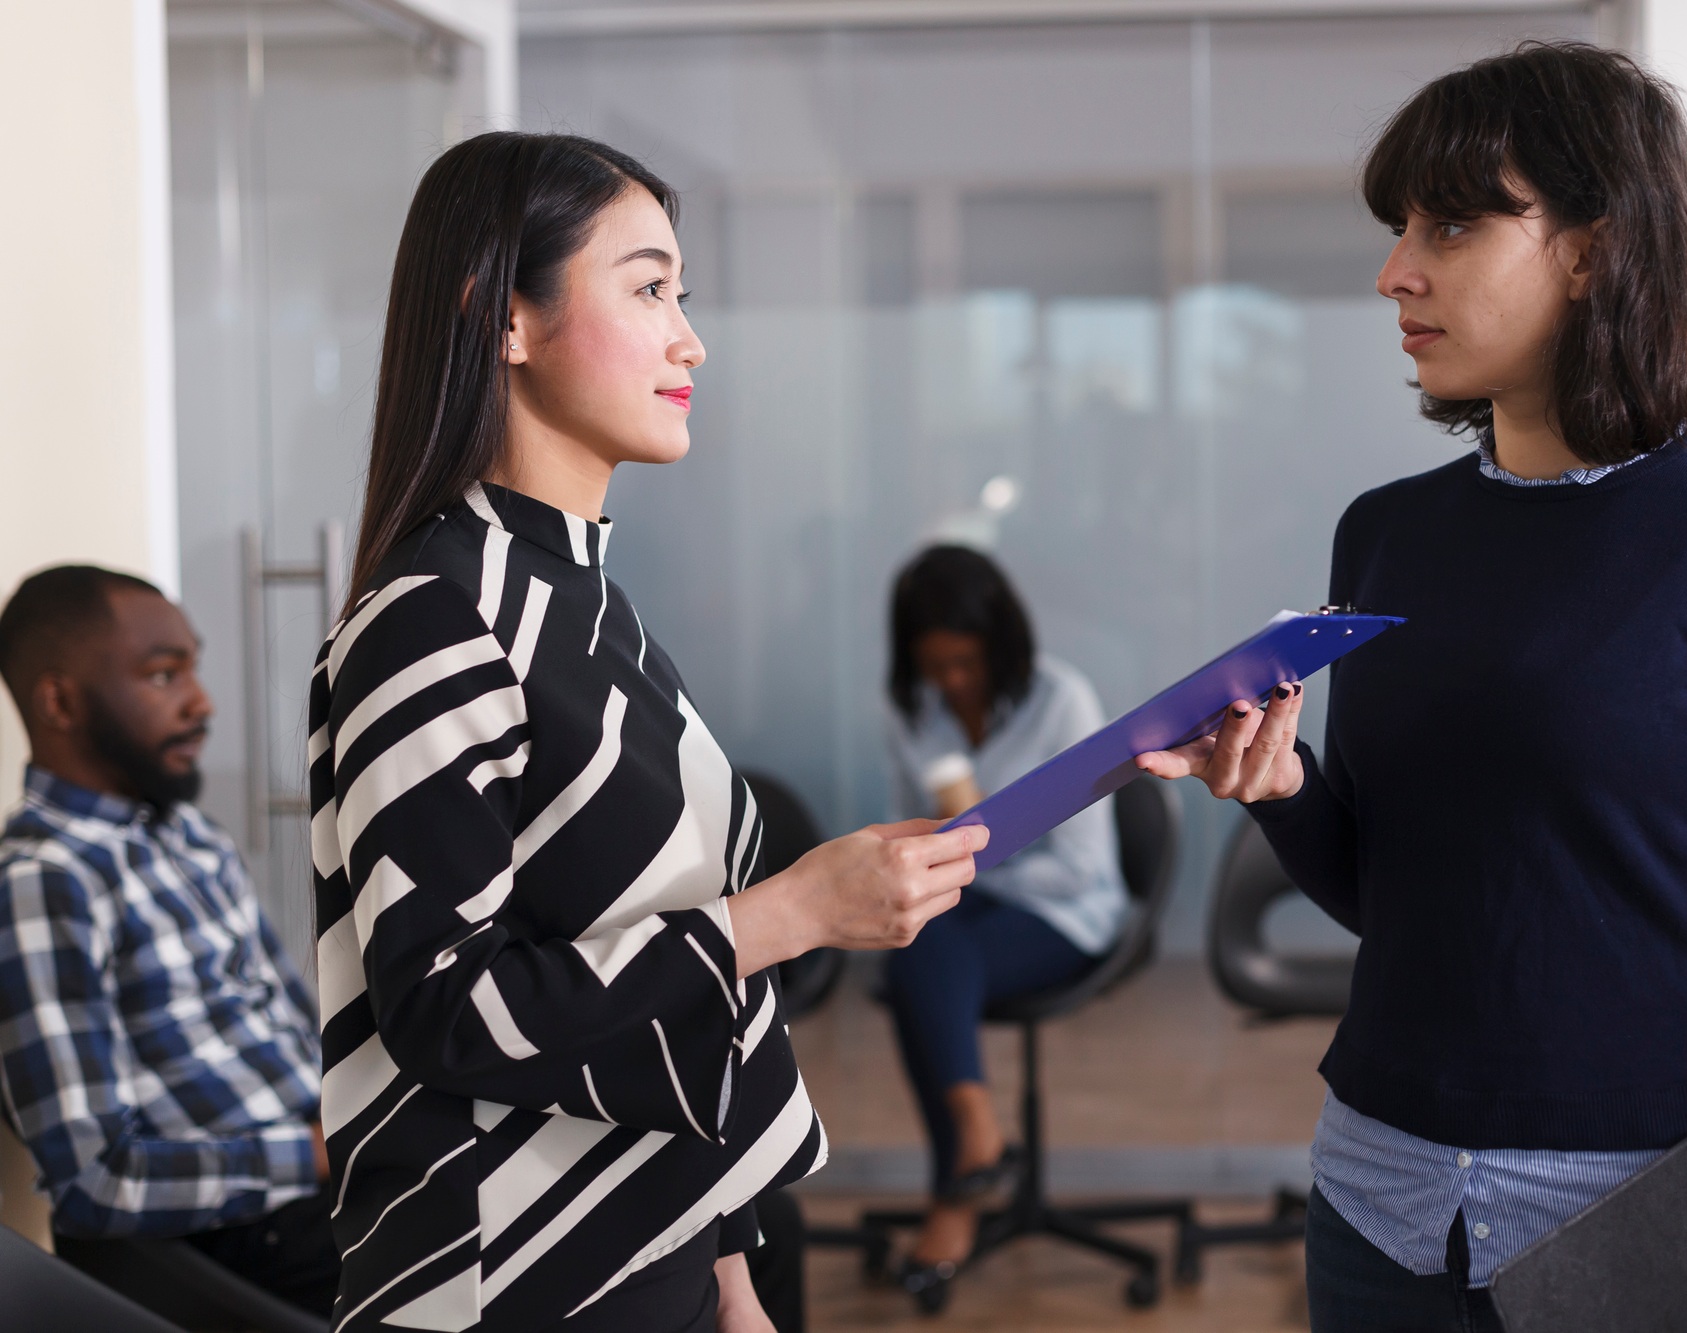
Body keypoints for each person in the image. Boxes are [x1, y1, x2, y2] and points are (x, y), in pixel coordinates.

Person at [1139, 42, 1687, 1332]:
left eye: (1449, 223)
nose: (1394, 272)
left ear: (1594, 248)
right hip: (1376, 1195)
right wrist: (1282, 787)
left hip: (1639, 1207)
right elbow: (1399, 895)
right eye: (1396, 229)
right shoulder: (1382, 534)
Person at [311, 131, 984, 1333]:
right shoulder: (436, 616)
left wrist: (729, 1277)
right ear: (501, 317)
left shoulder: (579, 598)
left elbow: (640, 979)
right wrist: (787, 914)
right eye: (649, 287)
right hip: (507, 1282)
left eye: (683, 293)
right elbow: (443, 1009)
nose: (690, 337)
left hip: (644, 1251)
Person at [0, 565, 339, 1314]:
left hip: (335, 1167)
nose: (201, 700)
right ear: (59, 701)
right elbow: (93, 1181)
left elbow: (293, 1026)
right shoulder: (43, 880)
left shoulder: (190, 835)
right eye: (162, 675)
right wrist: (317, 1151)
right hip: (255, 1229)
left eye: (193, 666)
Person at [879, 545, 1126, 1296]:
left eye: (967, 663)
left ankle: (958, 1183)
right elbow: (910, 821)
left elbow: (1083, 866)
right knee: (918, 942)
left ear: (1000, 645)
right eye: (936, 665)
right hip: (969, 904)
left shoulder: (1063, 699)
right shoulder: (910, 708)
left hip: (1066, 909)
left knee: (923, 959)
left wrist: (981, 854)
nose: (953, 681)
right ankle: (976, 1134)